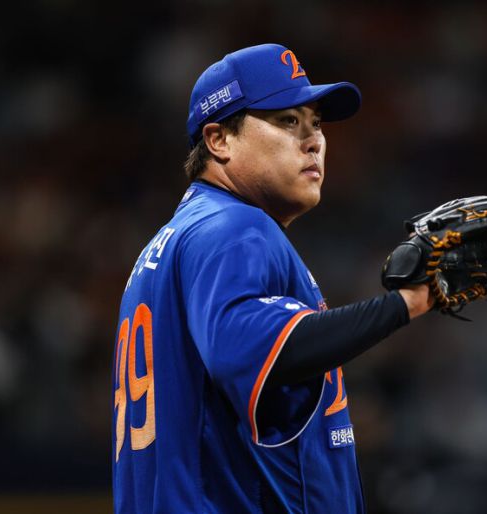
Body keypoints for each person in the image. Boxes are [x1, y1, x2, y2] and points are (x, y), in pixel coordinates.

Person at [112, 43, 432, 513]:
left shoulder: (178, 239)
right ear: (219, 140)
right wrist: (408, 302)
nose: (314, 141)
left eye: (315, 123)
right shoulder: (234, 228)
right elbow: (248, 347)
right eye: (287, 121)